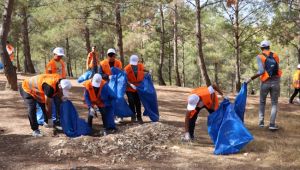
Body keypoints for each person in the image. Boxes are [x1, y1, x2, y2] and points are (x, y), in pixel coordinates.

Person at [246, 40, 282, 130]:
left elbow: (261, 71)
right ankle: (272, 125)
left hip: (265, 82)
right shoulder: (276, 55)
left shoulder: (260, 57)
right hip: (276, 81)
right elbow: (276, 69)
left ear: (261, 48)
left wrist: (250, 79)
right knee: (274, 103)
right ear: (269, 47)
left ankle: (261, 123)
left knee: (262, 102)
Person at [45, 47, 67, 126]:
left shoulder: (61, 62)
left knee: (59, 102)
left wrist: (63, 82)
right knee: (51, 102)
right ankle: (51, 119)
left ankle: (59, 119)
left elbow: (63, 73)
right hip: (52, 84)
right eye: (58, 55)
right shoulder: (50, 64)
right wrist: (56, 84)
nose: (60, 57)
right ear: (54, 54)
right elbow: (48, 76)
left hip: (61, 83)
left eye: (61, 56)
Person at [124, 55, 147, 124]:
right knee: (131, 101)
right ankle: (133, 116)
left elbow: (143, 70)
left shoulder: (140, 66)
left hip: (137, 88)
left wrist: (148, 71)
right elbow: (124, 79)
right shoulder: (127, 68)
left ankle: (139, 117)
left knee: (137, 102)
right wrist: (130, 84)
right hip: (129, 88)